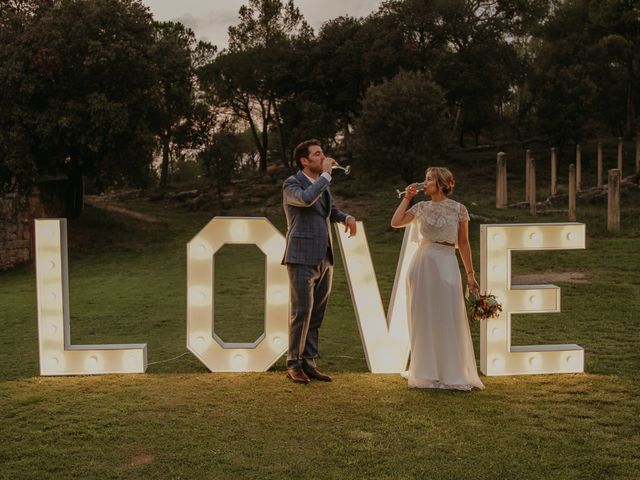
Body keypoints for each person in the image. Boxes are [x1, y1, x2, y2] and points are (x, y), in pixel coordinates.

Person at [390, 167, 484, 391]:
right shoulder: (420, 207)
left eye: (429, 179)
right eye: (425, 179)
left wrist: (471, 275)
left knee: (448, 316)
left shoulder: (459, 210)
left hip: (447, 262)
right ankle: (425, 370)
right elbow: (396, 222)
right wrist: (407, 198)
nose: (425, 183)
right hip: (422, 264)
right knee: (423, 316)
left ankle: (451, 371)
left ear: (441, 184)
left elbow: (463, 243)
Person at [282, 139, 357, 384]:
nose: (323, 157)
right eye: (317, 154)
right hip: (301, 256)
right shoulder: (292, 184)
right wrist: (326, 175)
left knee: (316, 313)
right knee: (301, 311)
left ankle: (309, 362)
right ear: (305, 160)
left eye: (322, 152)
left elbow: (331, 211)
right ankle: (293, 363)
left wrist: (346, 216)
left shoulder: (323, 184)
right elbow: (305, 200)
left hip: (325, 256)